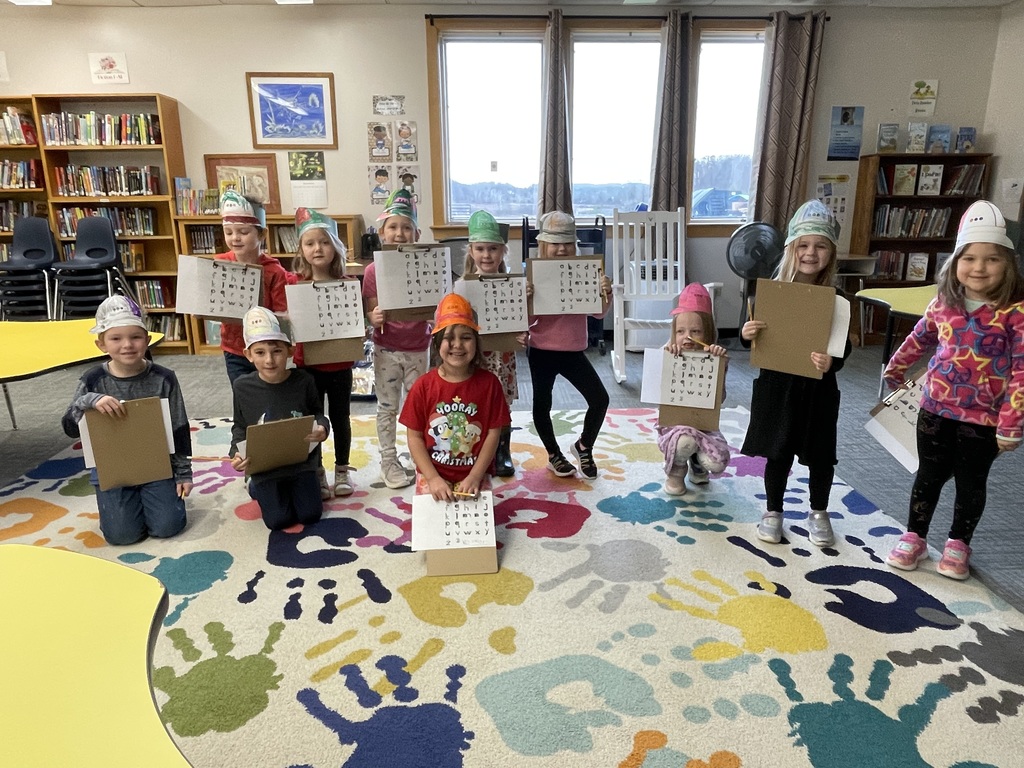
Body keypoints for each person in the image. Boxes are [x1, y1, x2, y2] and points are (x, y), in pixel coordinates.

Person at [882, 200, 1024, 580]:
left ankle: (958, 542)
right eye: (970, 258)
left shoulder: (1016, 312)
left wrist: (1012, 421)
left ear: (1008, 264)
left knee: (970, 481)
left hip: (985, 418)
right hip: (934, 408)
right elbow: (921, 337)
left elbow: (1022, 371)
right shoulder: (945, 302)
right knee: (928, 475)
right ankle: (915, 535)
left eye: (991, 259)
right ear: (955, 262)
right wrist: (895, 368)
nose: (979, 267)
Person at [740, 200, 851, 547]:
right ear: (791, 249)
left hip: (818, 389)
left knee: (820, 454)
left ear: (830, 253)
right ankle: (773, 511)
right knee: (778, 451)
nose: (810, 253)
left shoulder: (838, 298)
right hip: (777, 386)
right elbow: (757, 341)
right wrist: (748, 334)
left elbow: (844, 346)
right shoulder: (771, 292)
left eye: (819, 246)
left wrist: (832, 361)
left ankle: (818, 511)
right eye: (803, 245)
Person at [61, 295, 192, 545]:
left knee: (168, 526)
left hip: (156, 464)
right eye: (116, 338)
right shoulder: (93, 380)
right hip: (112, 469)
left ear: (148, 339)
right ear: (101, 344)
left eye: (135, 337)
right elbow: (69, 428)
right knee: (122, 536)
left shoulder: (164, 378)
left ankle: (153, 499)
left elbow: (179, 426)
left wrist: (184, 474)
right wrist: (88, 401)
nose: (127, 345)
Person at [526, 210, 612, 480]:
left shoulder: (586, 270)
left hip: (574, 350)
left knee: (600, 399)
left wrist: (604, 293)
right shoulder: (534, 274)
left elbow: (598, 314)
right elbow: (527, 320)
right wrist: (527, 297)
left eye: (567, 243)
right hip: (541, 349)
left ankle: (583, 446)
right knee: (542, 405)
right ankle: (553, 455)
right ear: (543, 245)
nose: (561, 249)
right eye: (555, 243)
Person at [399, 293, 510, 501]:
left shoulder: (490, 384)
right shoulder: (423, 386)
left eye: (466, 337)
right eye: (449, 338)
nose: (457, 345)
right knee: (433, 528)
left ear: (476, 343)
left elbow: (493, 434)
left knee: (475, 529)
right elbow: (414, 437)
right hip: (433, 472)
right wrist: (432, 478)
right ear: (437, 344)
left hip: (475, 472)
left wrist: (475, 476)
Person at [229, 307, 330, 531]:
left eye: (276, 351)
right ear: (248, 355)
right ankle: (254, 486)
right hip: (266, 468)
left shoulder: (304, 381)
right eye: (260, 352)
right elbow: (240, 425)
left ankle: (302, 484)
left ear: (289, 351)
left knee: (310, 514)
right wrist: (236, 453)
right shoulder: (242, 387)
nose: (269, 360)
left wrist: (322, 428)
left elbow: (318, 413)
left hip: (301, 463)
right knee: (278, 521)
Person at [362, 189, 430, 489]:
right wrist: (373, 317)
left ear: (416, 233)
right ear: (382, 233)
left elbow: (436, 305)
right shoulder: (373, 270)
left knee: (421, 408)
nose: (399, 234)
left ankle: (423, 458)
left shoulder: (426, 265)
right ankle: (388, 460)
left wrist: (435, 315)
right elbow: (370, 310)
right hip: (387, 349)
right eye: (393, 227)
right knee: (387, 406)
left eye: (406, 227)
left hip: (419, 348)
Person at [290, 207, 356, 499]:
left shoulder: (349, 284)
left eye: (325, 241)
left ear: (335, 247)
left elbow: (357, 325)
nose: (318, 248)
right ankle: (317, 472)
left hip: (340, 366)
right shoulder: (294, 285)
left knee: (341, 419)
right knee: (312, 422)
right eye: (310, 243)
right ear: (301, 249)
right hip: (308, 368)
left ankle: (342, 469)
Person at [657, 283, 731, 496]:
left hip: (705, 425)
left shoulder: (714, 358)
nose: (687, 337)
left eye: (695, 331)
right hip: (675, 426)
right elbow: (656, 393)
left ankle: (698, 463)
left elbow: (721, 399)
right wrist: (667, 357)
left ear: (707, 333)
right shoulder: (669, 353)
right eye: (680, 331)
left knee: (716, 462)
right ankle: (676, 470)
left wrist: (720, 366)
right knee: (685, 442)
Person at [463, 209, 519, 477]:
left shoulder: (513, 284)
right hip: (475, 355)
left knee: (502, 403)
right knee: (476, 399)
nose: (487, 255)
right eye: (481, 249)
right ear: (471, 251)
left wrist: (523, 333)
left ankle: (502, 451)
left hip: (503, 354)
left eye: (493, 249)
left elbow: (522, 320)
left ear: (503, 252)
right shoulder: (461, 285)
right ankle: (474, 450)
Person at [216, 190, 293, 384]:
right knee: (242, 392)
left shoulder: (274, 271)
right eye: (229, 232)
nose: (235, 238)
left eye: (243, 232)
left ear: (262, 234)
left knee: (270, 393)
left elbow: (281, 311)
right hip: (235, 348)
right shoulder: (220, 264)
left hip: (267, 350)